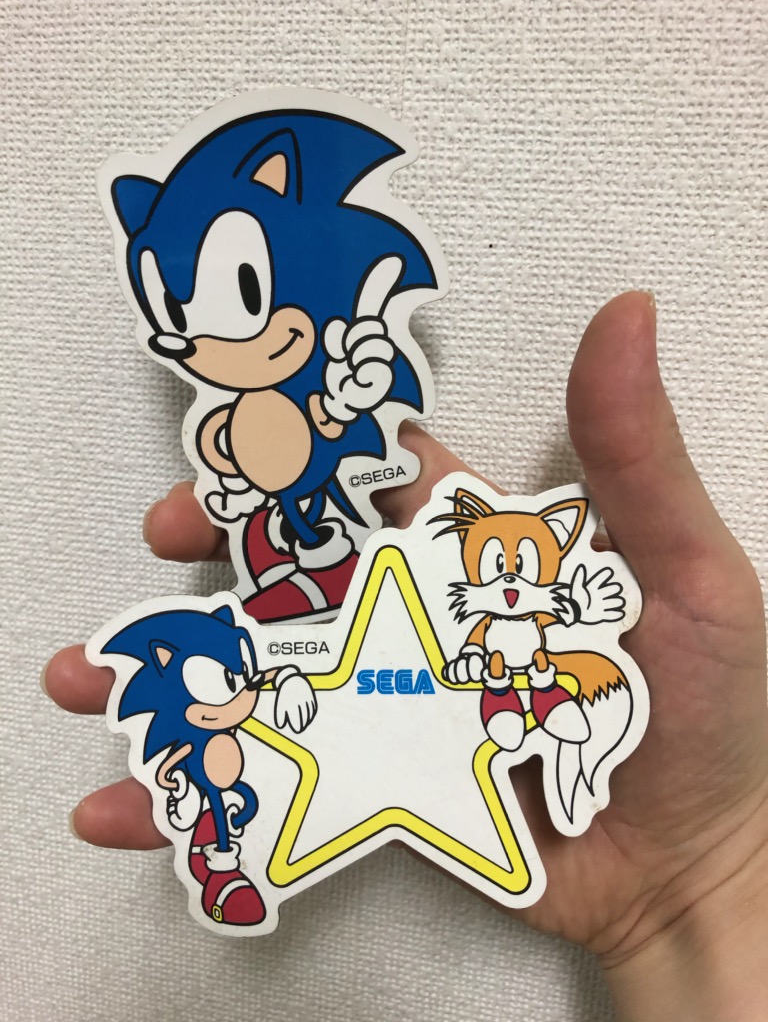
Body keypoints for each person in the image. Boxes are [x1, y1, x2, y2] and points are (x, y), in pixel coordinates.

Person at [42, 292, 768, 1020]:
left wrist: (715, 863)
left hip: (518, 696)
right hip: (452, 692)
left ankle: (536, 723)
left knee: (523, 700)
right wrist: (709, 880)